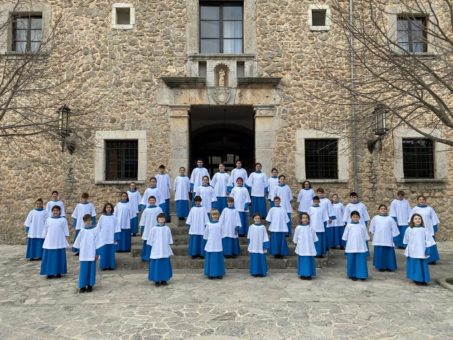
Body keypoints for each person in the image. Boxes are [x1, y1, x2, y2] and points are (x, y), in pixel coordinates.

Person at [403, 214, 436, 286]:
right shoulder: (409, 229)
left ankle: (424, 279)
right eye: (415, 219)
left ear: (421, 220)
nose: (418, 220)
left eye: (419, 219)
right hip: (413, 250)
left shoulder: (424, 229)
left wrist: (427, 248)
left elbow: (429, 240)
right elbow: (406, 239)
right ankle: (416, 279)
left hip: (422, 250)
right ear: (412, 220)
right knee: (415, 265)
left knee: (422, 264)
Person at [409, 195, 440, 264]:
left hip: (429, 229)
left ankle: (432, 259)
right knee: (421, 244)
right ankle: (422, 258)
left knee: (430, 244)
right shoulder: (415, 209)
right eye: (420, 199)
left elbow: (434, 219)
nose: (421, 201)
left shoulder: (430, 209)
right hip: (419, 230)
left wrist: (434, 229)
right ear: (418, 201)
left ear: (425, 201)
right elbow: (411, 219)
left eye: (423, 199)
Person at [40, 205, 69, 279]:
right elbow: (45, 229)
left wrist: (66, 237)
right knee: (50, 257)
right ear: (52, 211)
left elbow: (65, 230)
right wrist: (43, 238)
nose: (55, 212)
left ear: (59, 211)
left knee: (59, 257)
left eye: (57, 210)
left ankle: (58, 272)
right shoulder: (48, 220)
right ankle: (49, 272)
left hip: (60, 241)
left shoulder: (63, 220)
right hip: (50, 241)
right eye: (54, 210)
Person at [73, 214, 100, 293]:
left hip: (92, 253)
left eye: (89, 220)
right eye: (86, 220)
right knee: (83, 270)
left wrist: (97, 253)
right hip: (84, 253)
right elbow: (78, 241)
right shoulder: (82, 231)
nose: (88, 222)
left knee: (91, 270)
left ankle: (90, 285)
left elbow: (98, 242)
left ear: (92, 221)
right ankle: (82, 286)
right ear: (84, 222)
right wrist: (75, 248)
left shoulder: (95, 230)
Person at [369, 204, 399, 272]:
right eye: (381, 209)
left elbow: (394, 229)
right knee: (379, 253)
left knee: (388, 253)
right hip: (378, 239)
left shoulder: (390, 219)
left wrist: (394, 238)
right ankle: (380, 266)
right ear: (378, 210)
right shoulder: (375, 218)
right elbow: (372, 228)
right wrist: (372, 233)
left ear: (386, 210)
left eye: (384, 209)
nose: (383, 210)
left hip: (388, 239)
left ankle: (389, 266)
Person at [342, 211, 370, 281]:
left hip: (361, 246)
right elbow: (345, 237)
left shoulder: (362, 226)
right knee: (352, 261)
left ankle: (362, 275)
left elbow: (366, 237)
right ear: (351, 218)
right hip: (351, 246)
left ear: (359, 218)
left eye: (357, 217)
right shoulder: (348, 226)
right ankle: (352, 274)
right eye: (354, 217)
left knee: (361, 261)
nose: (355, 218)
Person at [147, 213, 174, 286]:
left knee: (164, 264)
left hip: (164, 248)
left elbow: (169, 239)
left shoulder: (167, 228)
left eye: (163, 218)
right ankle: (156, 280)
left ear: (165, 219)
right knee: (156, 264)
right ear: (157, 219)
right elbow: (150, 240)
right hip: (156, 249)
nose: (161, 219)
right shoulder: (153, 229)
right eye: (160, 218)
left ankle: (164, 279)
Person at [293, 213, 318, 280]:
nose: (305, 219)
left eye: (306, 218)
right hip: (302, 247)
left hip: (309, 248)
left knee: (309, 261)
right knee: (302, 261)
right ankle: (302, 274)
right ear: (301, 219)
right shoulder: (298, 228)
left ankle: (309, 274)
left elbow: (314, 238)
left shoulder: (311, 228)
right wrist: (296, 244)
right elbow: (295, 238)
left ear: (308, 219)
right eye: (303, 218)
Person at [96, 203, 119, 270]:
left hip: (111, 237)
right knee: (104, 252)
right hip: (103, 237)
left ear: (111, 208)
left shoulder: (114, 217)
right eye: (107, 207)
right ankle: (104, 266)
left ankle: (111, 266)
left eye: (110, 207)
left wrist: (116, 237)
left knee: (111, 252)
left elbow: (117, 227)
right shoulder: (102, 217)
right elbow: (98, 227)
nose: (108, 208)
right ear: (105, 209)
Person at [139, 196, 163, 262]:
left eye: (153, 200)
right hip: (147, 229)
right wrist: (142, 230)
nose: (152, 201)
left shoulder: (159, 209)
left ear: (155, 201)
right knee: (147, 243)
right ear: (148, 201)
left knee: (156, 242)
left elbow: (162, 219)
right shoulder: (146, 210)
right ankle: (146, 256)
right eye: (150, 200)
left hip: (157, 228)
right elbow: (143, 221)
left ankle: (156, 256)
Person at [203, 209, 225, 279]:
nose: (214, 216)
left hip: (218, 244)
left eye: (216, 214)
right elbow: (206, 235)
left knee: (218, 259)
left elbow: (222, 233)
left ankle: (219, 273)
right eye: (213, 214)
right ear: (211, 215)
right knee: (211, 260)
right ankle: (210, 273)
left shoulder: (220, 224)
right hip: (210, 244)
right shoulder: (208, 224)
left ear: (218, 215)